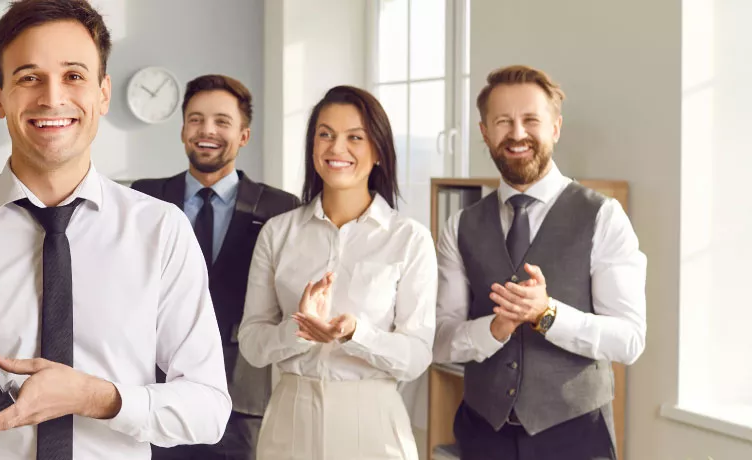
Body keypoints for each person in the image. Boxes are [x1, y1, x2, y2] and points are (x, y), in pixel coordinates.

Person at [0, 0, 231, 458]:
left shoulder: (161, 230)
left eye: (74, 75)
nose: (52, 98)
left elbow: (208, 410)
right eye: (28, 77)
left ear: (103, 93)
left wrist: (95, 397)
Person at [432, 65, 646, 460]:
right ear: (485, 132)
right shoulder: (459, 226)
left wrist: (547, 314)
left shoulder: (604, 216)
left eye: (531, 120)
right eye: (503, 121)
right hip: (483, 434)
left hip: (577, 436)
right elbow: (442, 339)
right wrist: (493, 330)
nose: (517, 134)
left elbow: (629, 340)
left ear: (555, 128)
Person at [238, 86, 435, 459]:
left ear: (377, 150)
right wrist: (300, 329)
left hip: (374, 425)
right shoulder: (278, 233)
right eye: (325, 134)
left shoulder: (409, 239)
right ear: (313, 147)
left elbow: (416, 356)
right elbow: (252, 343)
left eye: (354, 138)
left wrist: (356, 333)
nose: (336, 148)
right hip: (289, 420)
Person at [131, 74, 298, 460]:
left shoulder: (281, 208)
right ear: (183, 129)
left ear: (244, 135)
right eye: (195, 119)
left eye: (222, 121)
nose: (207, 130)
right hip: (156, 392)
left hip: (242, 398)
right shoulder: (144, 197)